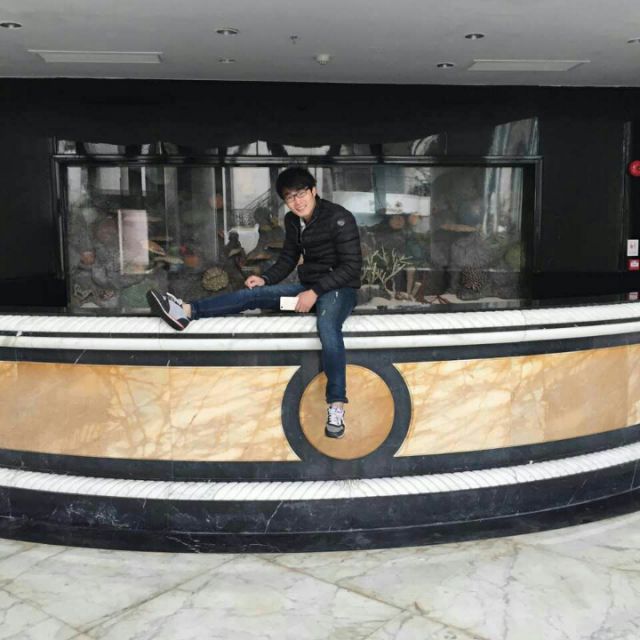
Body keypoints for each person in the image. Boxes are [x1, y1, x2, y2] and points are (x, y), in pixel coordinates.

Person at [147, 167, 362, 439]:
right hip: (307, 296)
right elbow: (288, 258)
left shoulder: (339, 218)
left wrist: (315, 292)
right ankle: (188, 311)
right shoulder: (293, 221)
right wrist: (265, 279)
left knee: (328, 326)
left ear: (313, 191)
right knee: (253, 296)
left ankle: (336, 406)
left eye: (301, 194)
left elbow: (352, 267)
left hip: (339, 292)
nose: (297, 201)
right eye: (290, 197)